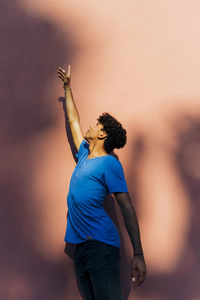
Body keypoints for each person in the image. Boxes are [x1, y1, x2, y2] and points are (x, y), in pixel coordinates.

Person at [57, 65, 146, 300]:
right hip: (82, 248)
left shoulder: (110, 164)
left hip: (100, 246)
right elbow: (74, 122)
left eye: (97, 124)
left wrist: (138, 253)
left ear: (102, 135)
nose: (92, 124)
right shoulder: (85, 154)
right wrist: (68, 89)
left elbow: (126, 207)